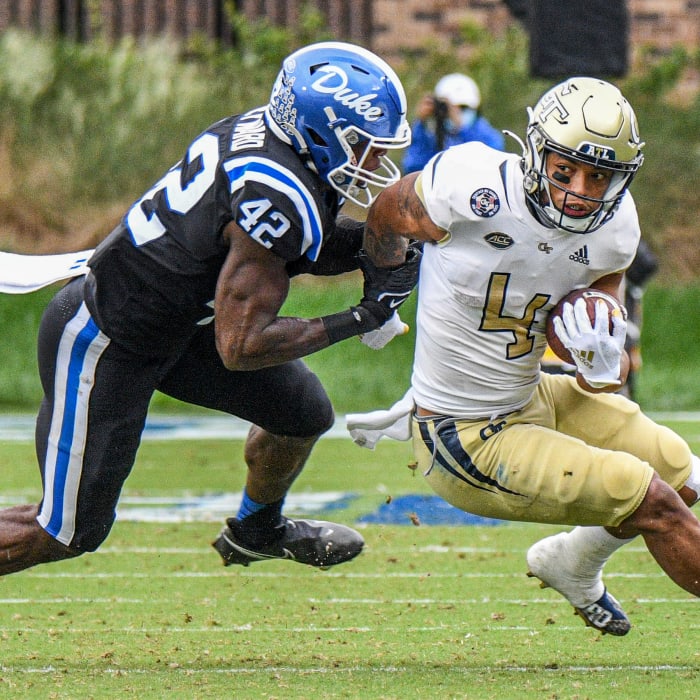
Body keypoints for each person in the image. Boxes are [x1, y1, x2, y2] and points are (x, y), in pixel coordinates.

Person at [0, 41, 421, 577]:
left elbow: (295, 248)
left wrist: (378, 252)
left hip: (178, 323)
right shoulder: (277, 191)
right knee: (64, 531)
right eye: (364, 145)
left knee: (301, 414)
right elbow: (242, 346)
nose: (376, 161)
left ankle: (256, 529)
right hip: (109, 337)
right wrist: (360, 316)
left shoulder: (274, 141)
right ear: (320, 130)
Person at [352, 76, 700, 636]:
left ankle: (573, 563)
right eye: (565, 171)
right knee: (651, 499)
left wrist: (598, 353)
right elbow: (388, 212)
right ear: (536, 151)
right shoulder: (469, 183)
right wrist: (379, 298)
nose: (580, 191)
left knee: (681, 474)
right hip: (463, 432)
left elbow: (604, 373)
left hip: (534, 391)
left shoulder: (615, 227)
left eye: (599, 176)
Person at [402, 73, 505, 174]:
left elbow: (489, 166)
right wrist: (421, 124)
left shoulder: (489, 137)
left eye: (463, 108)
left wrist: (462, 129)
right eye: (449, 108)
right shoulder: (434, 138)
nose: (455, 113)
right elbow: (413, 168)